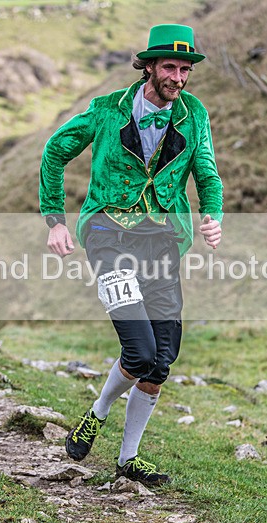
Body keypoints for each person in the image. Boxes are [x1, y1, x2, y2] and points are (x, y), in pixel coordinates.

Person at [39, 23, 223, 486]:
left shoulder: (194, 113)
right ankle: (98, 411)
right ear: (148, 67)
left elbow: (206, 170)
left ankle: (128, 460)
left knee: (162, 359)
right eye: (169, 67)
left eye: (185, 69)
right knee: (138, 350)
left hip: (162, 239)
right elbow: (54, 151)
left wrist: (212, 215)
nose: (178, 77)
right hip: (108, 235)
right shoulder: (106, 111)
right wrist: (55, 220)